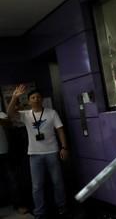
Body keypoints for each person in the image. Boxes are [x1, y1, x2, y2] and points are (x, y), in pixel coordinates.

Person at [7, 84, 69, 219]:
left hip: (52, 152)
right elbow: (10, 114)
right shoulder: (26, 115)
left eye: (38, 97)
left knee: (57, 182)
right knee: (37, 186)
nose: (36, 99)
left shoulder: (51, 113)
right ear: (29, 101)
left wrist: (64, 147)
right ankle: (40, 212)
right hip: (34, 155)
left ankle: (62, 207)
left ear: (42, 100)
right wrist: (14, 97)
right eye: (33, 97)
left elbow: (60, 129)